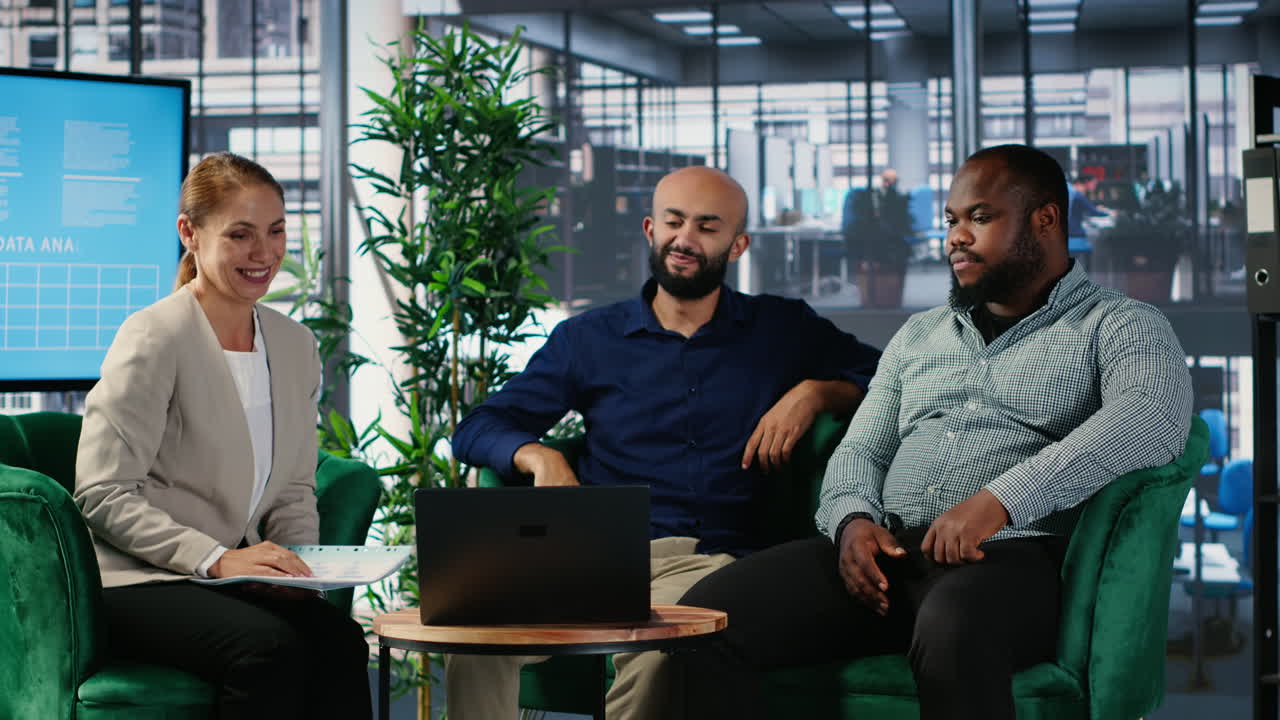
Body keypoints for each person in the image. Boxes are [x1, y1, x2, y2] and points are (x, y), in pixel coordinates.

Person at [676, 144, 1193, 720]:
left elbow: (1151, 419)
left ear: (1045, 221)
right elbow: (862, 447)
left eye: (980, 217)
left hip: (1012, 562)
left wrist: (1000, 501)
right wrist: (851, 524)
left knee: (954, 622)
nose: (956, 237)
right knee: (704, 617)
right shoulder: (919, 334)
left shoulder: (1122, 324)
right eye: (951, 220)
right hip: (887, 557)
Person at [447, 165, 882, 720]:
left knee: (660, 652)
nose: (685, 239)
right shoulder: (588, 338)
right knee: (475, 642)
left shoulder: (782, 329)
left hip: (712, 565)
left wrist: (817, 393)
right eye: (674, 222)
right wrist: (540, 454)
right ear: (651, 229)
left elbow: (889, 378)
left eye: (707, 226)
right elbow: (478, 426)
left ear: (738, 244)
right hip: (596, 557)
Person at [73, 152, 371, 720]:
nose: (264, 254)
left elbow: (291, 491)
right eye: (241, 234)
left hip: (230, 574)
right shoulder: (154, 337)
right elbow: (103, 493)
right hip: (139, 579)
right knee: (268, 652)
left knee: (339, 642)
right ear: (190, 232)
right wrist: (215, 560)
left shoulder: (294, 345)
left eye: (276, 231)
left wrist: (300, 572)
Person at [1067, 172, 1110, 250]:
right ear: (1087, 182)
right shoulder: (1077, 195)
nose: (1095, 187)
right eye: (1094, 184)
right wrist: (1110, 213)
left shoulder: (1070, 190)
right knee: (1095, 237)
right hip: (1072, 233)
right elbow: (1093, 212)